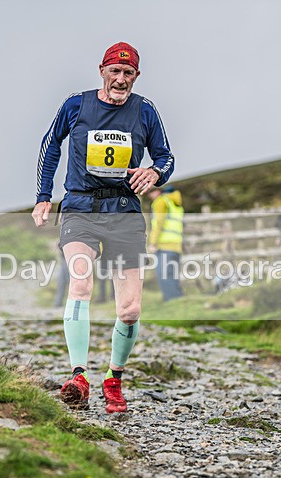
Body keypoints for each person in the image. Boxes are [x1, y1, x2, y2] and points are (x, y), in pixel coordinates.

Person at [32, 42, 175, 413]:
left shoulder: (144, 111)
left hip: (124, 211)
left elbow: (166, 156)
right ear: (102, 71)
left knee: (129, 310)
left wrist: (155, 171)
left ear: (136, 76)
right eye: (115, 71)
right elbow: (50, 147)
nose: (121, 79)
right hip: (80, 206)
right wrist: (43, 195)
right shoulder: (76, 105)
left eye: (128, 73)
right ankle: (78, 376)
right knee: (80, 284)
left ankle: (114, 378)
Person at [148, 185, 184, 301]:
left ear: (158, 191)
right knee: (172, 275)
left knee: (163, 275)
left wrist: (152, 243)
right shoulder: (176, 204)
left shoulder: (161, 202)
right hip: (176, 245)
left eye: (151, 192)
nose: (149, 195)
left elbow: (159, 223)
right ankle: (178, 300)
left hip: (164, 245)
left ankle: (171, 301)